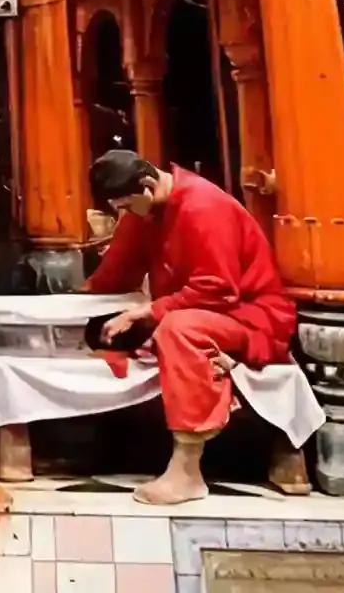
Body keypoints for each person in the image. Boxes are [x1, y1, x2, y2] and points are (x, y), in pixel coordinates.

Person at [83, 149, 297, 505]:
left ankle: (187, 468)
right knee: (125, 327)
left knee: (178, 329)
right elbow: (116, 274)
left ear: (148, 185)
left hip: (248, 316)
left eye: (126, 205)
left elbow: (218, 289)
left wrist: (149, 311)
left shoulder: (203, 206)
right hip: (199, 311)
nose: (124, 213)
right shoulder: (144, 210)